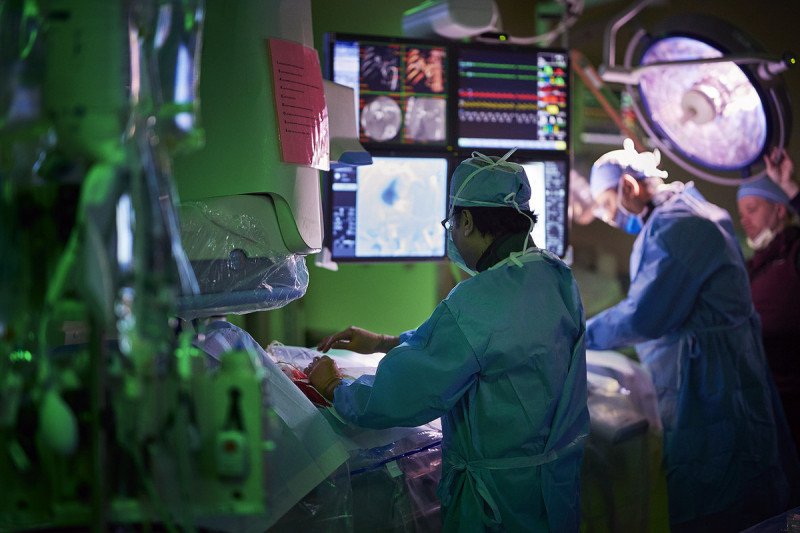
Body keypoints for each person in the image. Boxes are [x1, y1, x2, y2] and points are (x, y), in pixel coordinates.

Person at [306, 150, 590, 532]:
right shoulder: (557, 278)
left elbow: (403, 395)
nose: (452, 235)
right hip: (552, 492)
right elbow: (481, 349)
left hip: (497, 505)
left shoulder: (478, 300)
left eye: (452, 223)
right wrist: (386, 342)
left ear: (468, 220)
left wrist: (335, 387)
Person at [586, 139, 795, 532]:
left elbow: (644, 316)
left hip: (709, 387)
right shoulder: (681, 215)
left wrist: (578, 335)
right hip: (718, 378)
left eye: (608, 207)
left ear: (628, 187)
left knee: (719, 500)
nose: (610, 218)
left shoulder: (678, 227)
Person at [737, 147, 800, 455]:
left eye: (753, 209)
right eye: (741, 213)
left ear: (779, 210)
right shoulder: (754, 265)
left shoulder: (794, 254)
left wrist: (789, 186)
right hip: (765, 406)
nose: (745, 220)